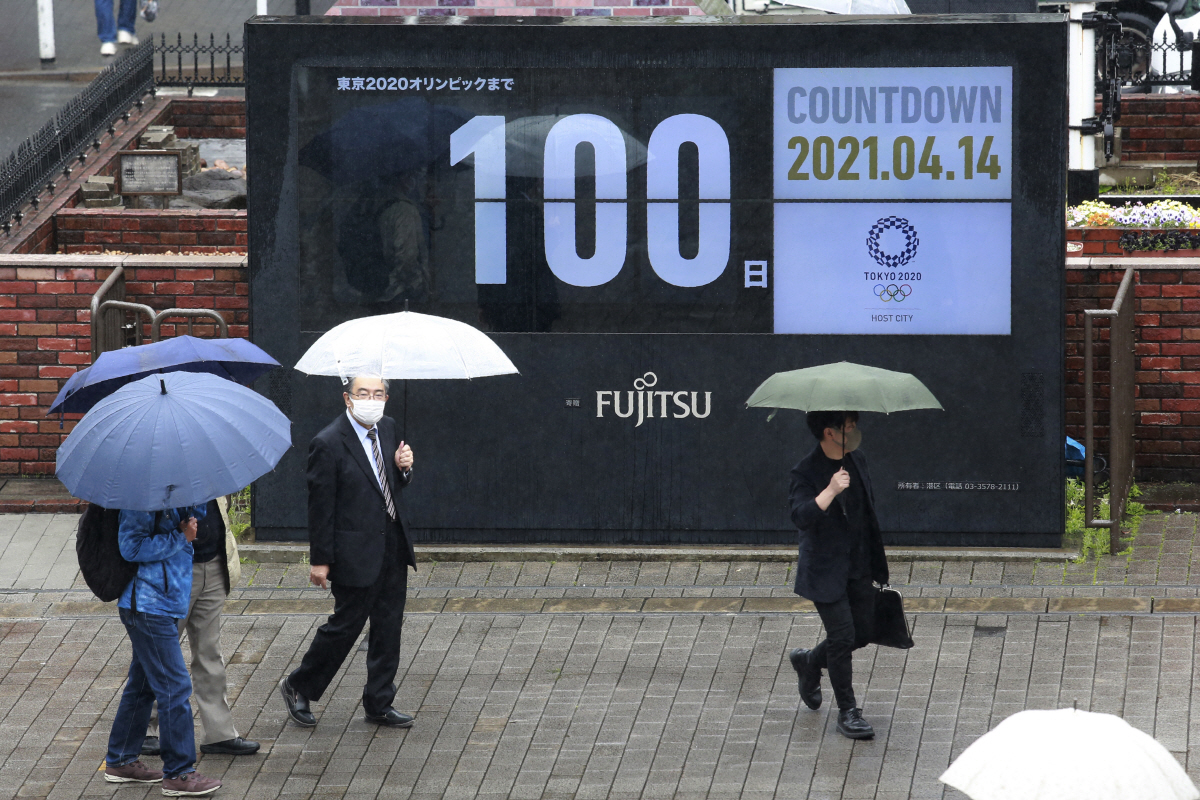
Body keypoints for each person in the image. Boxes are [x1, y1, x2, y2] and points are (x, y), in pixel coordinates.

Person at [280, 375, 417, 729]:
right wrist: (320, 561)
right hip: (354, 550)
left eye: (378, 393)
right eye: (363, 393)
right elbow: (321, 507)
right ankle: (299, 685)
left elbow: (390, 485)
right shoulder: (327, 443)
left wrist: (404, 469)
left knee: (389, 627)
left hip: (392, 544)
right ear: (347, 398)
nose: (371, 400)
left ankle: (379, 701)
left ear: (386, 398)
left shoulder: (388, 428)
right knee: (346, 626)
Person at [104, 506, 222, 796]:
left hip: (165, 603)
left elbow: (197, 517)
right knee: (175, 687)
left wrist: (191, 502)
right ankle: (179, 773)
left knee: (142, 685)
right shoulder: (141, 498)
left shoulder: (174, 491)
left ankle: (120, 759)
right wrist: (180, 537)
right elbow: (131, 547)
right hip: (147, 606)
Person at [786, 410, 889, 740]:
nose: (854, 431)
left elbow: (867, 513)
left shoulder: (857, 460)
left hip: (858, 564)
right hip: (825, 570)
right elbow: (801, 516)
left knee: (861, 633)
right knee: (842, 636)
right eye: (848, 427)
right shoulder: (806, 471)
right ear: (829, 432)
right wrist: (830, 490)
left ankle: (809, 662)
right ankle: (848, 711)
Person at [142, 499, 260, 758]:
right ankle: (143, 727)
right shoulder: (160, 478)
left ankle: (219, 733)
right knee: (159, 651)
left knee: (210, 652)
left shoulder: (209, 473)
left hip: (214, 564)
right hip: (173, 570)